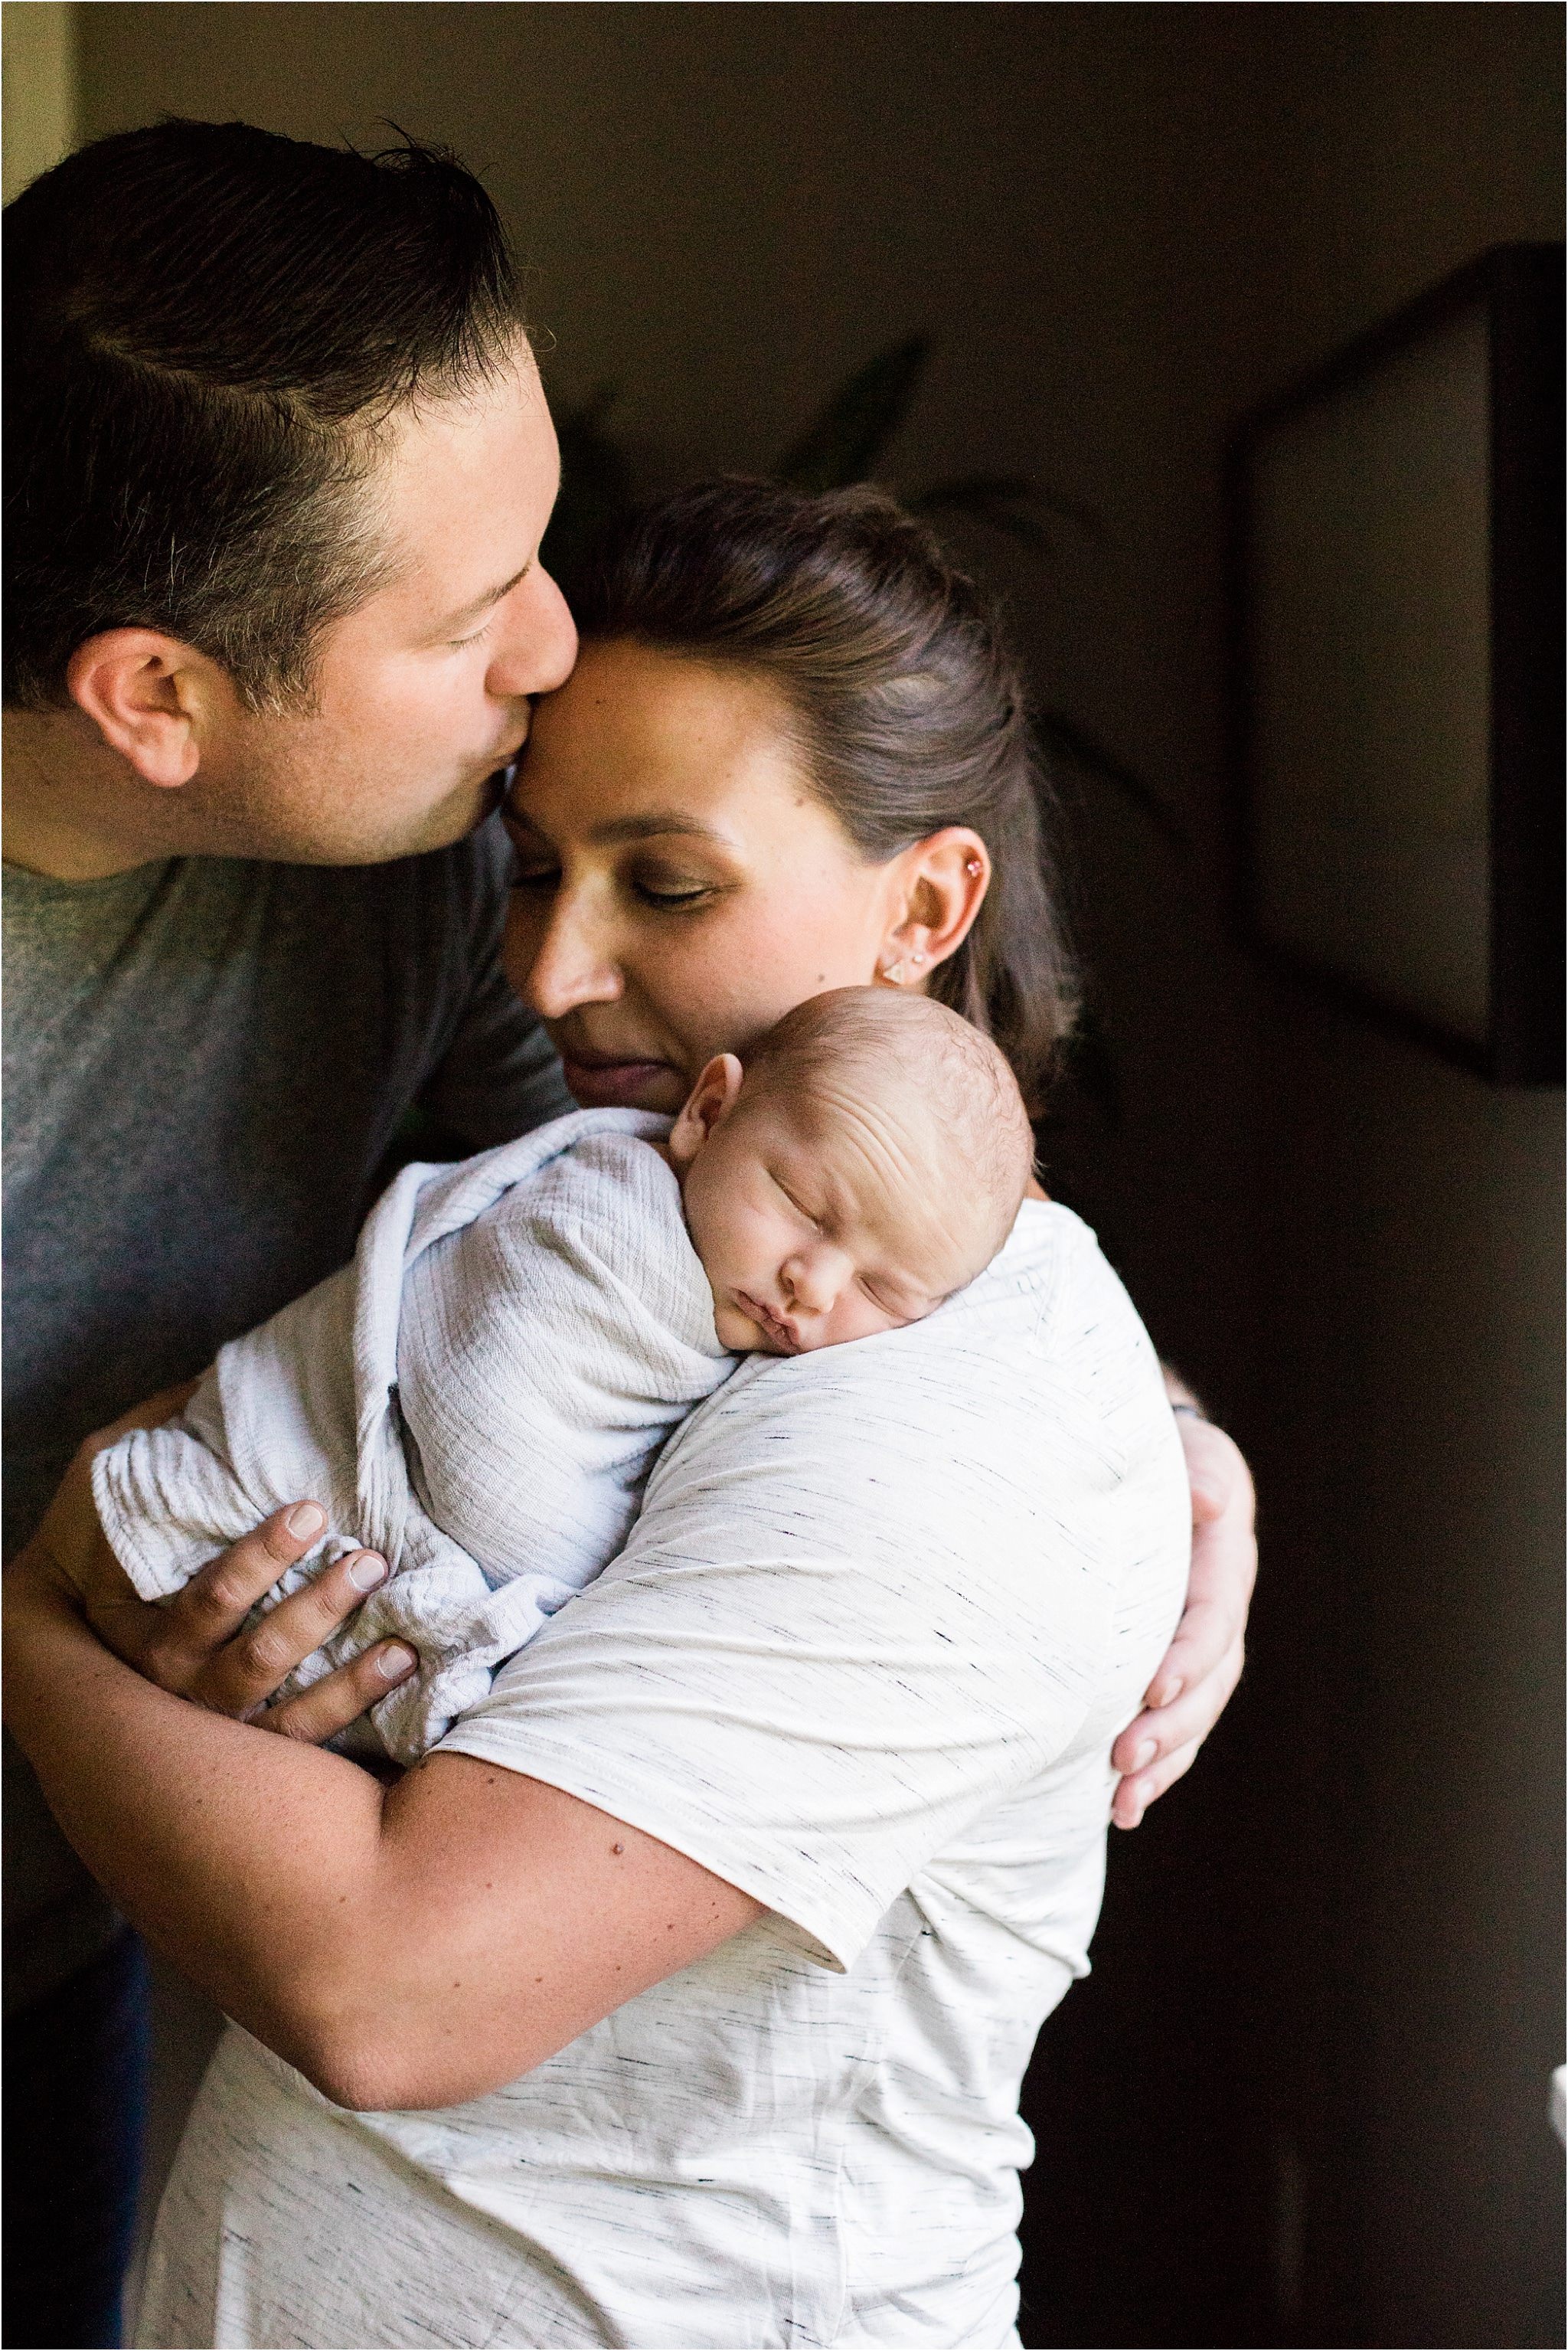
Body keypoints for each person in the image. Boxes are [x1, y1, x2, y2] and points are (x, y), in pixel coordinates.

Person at [2, 122, 1254, 2348]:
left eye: (540, 558)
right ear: (157, 697)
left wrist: (1143, 1423)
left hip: (54, 1945)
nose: (548, 649)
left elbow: (676, 1196)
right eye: (478, 612)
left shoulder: (430, 872)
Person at [89, 986, 1033, 1763]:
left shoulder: (880, 1370)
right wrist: (594, 1604)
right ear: (707, 1114)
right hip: (265, 1479)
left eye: (882, 1288)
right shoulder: (605, 1226)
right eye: (795, 1201)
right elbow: (487, 1447)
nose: (815, 1284)